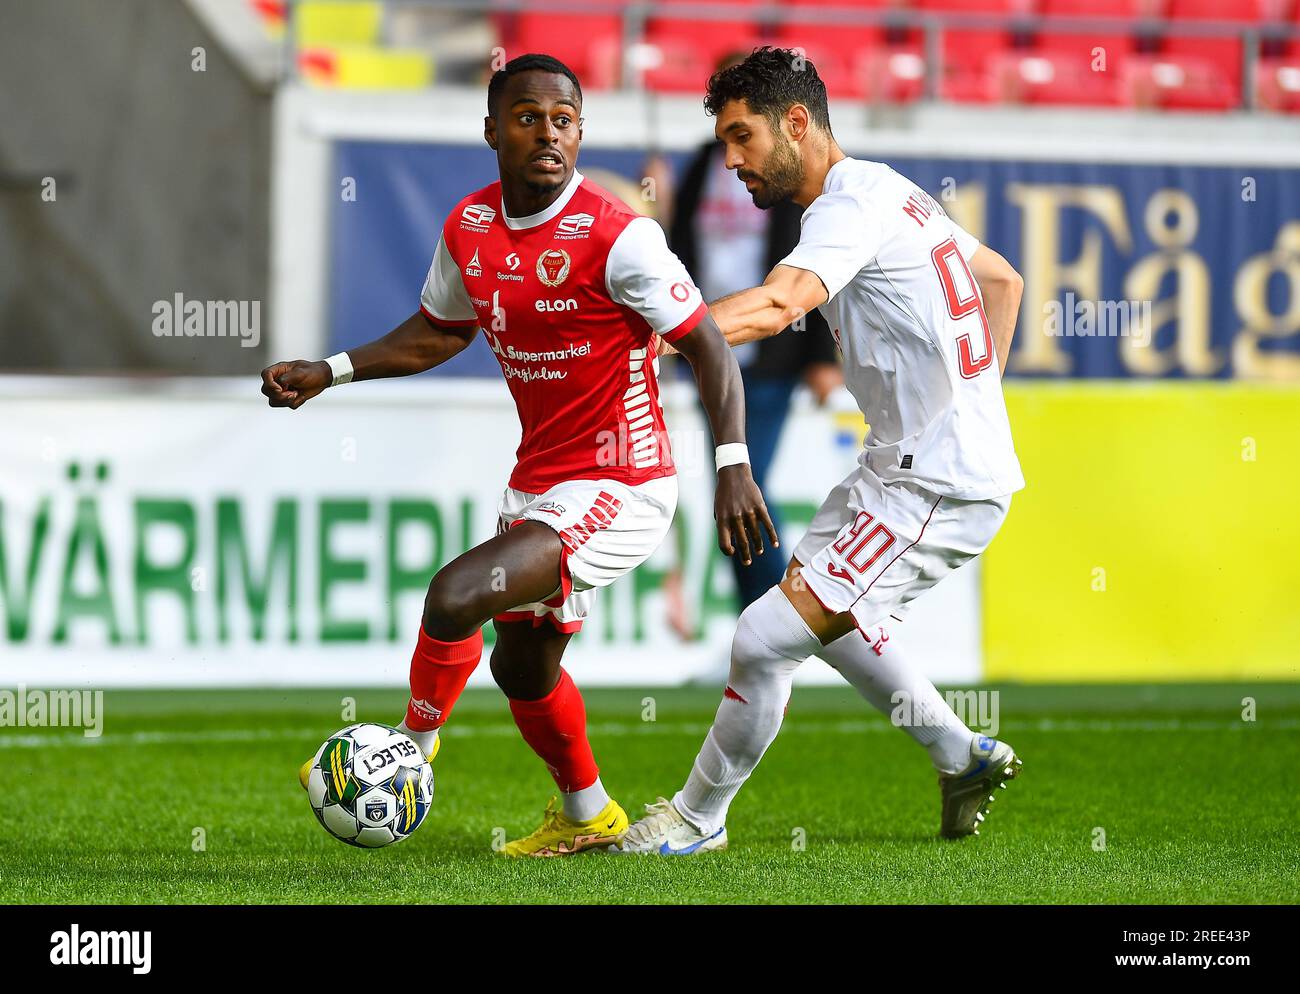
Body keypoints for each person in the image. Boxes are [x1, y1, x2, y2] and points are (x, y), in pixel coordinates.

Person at [260, 53, 774, 857]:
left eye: (564, 120)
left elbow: (709, 347)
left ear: (579, 132)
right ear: (493, 130)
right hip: (539, 479)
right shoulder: (470, 228)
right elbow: (439, 330)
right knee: (524, 669)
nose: (548, 133)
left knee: (456, 593)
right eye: (528, 117)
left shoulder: (620, 237)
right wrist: (330, 371)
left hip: (623, 481)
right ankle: (588, 815)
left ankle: (407, 751)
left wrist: (733, 465)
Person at [619, 48, 1027, 855]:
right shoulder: (890, 191)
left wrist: (651, 341)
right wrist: (977, 404)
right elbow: (1005, 281)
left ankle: (696, 820)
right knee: (832, 620)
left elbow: (776, 306)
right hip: (900, 466)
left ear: (796, 123)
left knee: (764, 637)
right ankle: (962, 754)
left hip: (935, 479)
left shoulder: (847, 207)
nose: (730, 159)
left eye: (741, 137)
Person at [668, 120, 842, 610]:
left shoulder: (780, 169)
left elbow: (813, 268)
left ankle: (777, 619)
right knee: (734, 487)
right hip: (712, 354)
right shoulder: (704, 162)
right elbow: (680, 245)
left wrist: (821, 356)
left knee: (745, 484)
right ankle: (761, 626)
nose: (733, 153)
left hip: (772, 355)